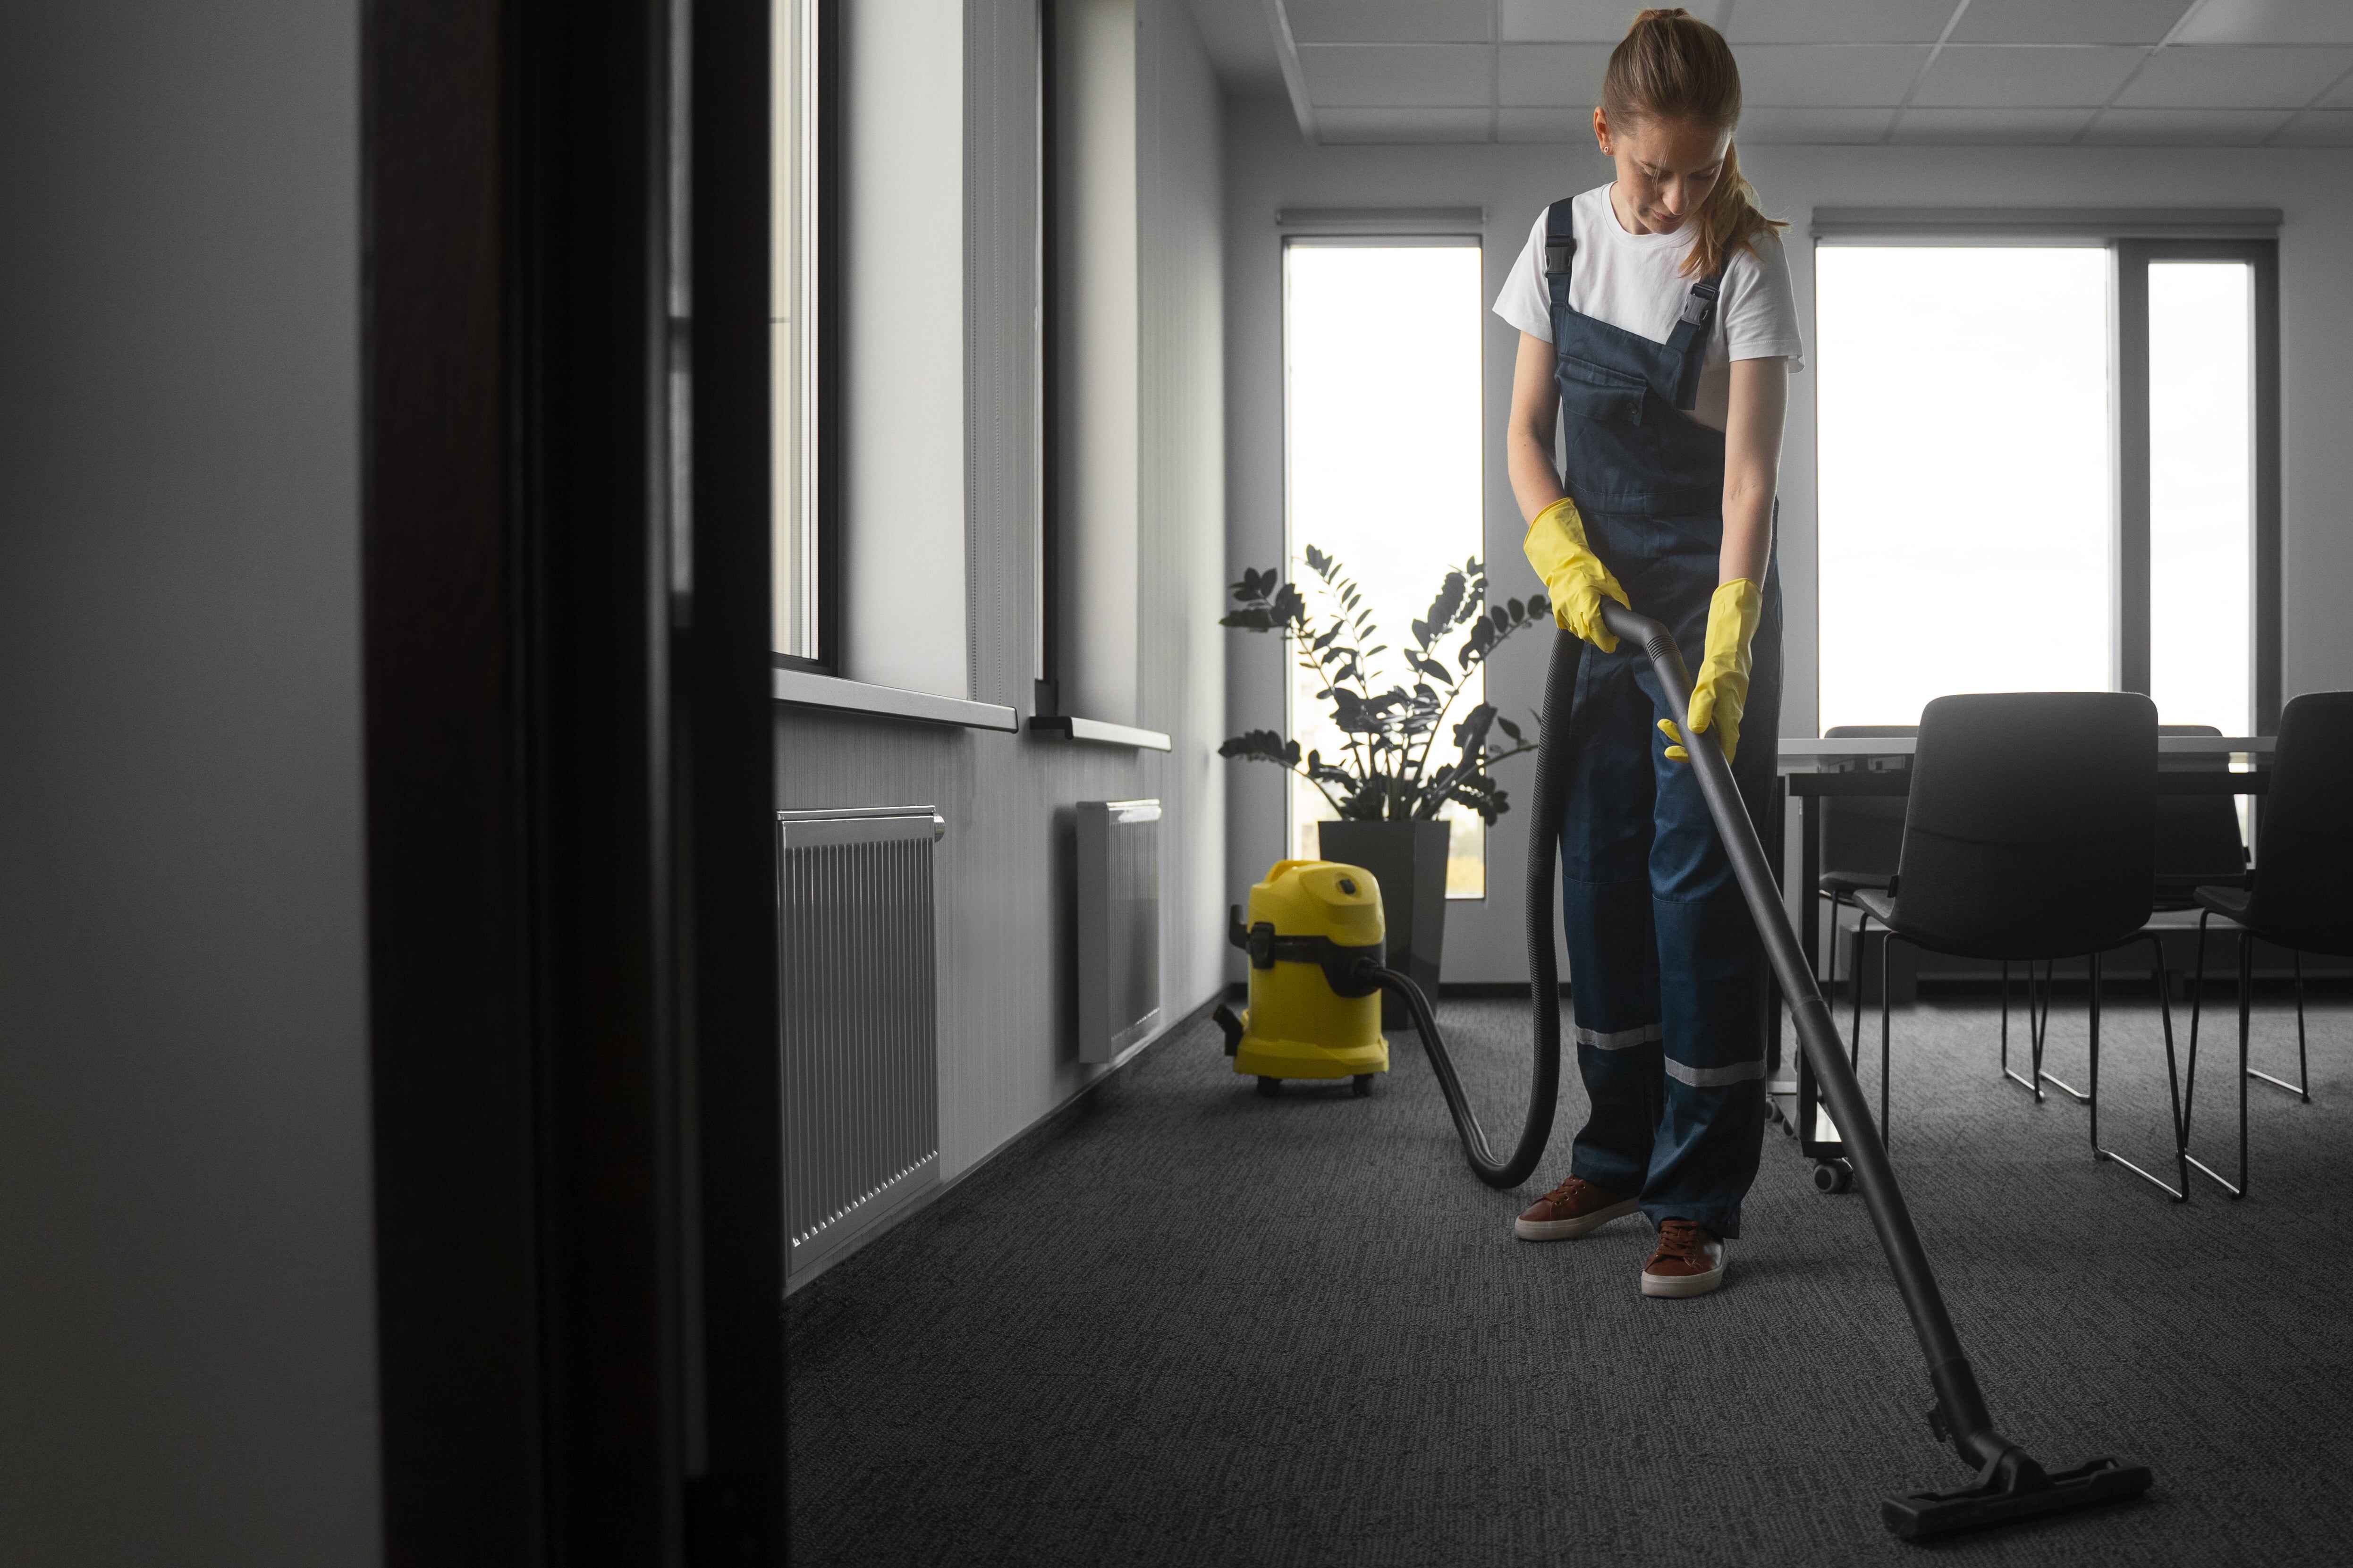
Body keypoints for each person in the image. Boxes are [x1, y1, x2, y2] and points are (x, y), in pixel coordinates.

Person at [1490, 8, 1803, 1299]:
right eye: (1653, 169)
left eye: (1704, 169)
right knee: (1600, 872)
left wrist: (1725, 643)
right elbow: (1523, 429)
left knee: (1701, 891)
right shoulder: (1557, 242)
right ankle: (1614, 1154)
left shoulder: (1743, 265)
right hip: (1600, 616)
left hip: (1707, 610)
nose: (1677, 195)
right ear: (1605, 131)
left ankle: (1698, 1195)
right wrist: (1560, 553)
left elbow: (1748, 481)